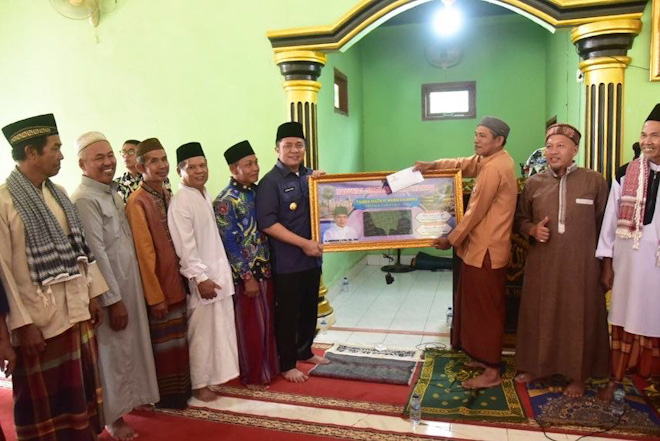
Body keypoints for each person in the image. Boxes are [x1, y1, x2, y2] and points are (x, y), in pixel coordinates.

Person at [1, 114, 107, 441]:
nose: (61, 155)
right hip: (39, 324)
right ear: (31, 153)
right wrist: (21, 326)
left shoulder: (58, 193)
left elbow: (80, 249)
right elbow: (2, 272)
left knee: (79, 398)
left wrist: (93, 294)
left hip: (74, 312)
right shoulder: (4, 201)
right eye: (55, 148)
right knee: (44, 408)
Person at [414, 116, 517, 389]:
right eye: (476, 134)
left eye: (482, 136)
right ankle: (483, 357)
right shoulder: (490, 160)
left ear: (499, 140)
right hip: (477, 249)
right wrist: (432, 166)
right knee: (474, 306)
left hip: (487, 250)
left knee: (487, 310)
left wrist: (450, 238)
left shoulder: (496, 168)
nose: (476, 139)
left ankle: (492, 371)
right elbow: (463, 164)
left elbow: (474, 213)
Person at [72, 131, 159, 440]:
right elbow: (95, 253)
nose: (108, 162)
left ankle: (132, 399)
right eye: (100, 158)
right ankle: (113, 418)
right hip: (113, 291)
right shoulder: (84, 199)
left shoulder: (112, 193)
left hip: (129, 284)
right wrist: (113, 300)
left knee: (130, 348)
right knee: (112, 356)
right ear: (82, 163)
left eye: (110, 156)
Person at [514, 124, 610, 397]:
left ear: (575, 150)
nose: (553, 151)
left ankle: (578, 376)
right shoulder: (534, 183)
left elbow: (606, 227)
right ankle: (537, 366)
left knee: (578, 319)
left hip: (582, 269)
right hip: (543, 265)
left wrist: (606, 267)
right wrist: (532, 230)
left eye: (561, 146)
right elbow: (520, 220)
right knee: (539, 315)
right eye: (550, 146)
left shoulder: (594, 181)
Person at [597, 103, 660, 400]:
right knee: (622, 320)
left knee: (654, 319)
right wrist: (607, 264)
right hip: (629, 264)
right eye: (644, 134)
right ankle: (615, 379)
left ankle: (648, 379)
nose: (647, 141)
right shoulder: (625, 174)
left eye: (655, 135)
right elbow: (610, 222)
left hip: (657, 268)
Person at [256, 122, 328, 383]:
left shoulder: (311, 177)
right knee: (287, 315)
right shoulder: (270, 182)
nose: (294, 150)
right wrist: (303, 244)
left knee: (309, 309)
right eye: (288, 145)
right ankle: (287, 364)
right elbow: (268, 223)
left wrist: (327, 185)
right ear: (277, 149)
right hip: (287, 262)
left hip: (312, 259)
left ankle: (305, 351)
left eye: (299, 145)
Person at [168, 142, 239, 402]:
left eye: (203, 165)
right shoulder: (181, 201)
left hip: (216, 277)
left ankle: (212, 378)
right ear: (180, 171)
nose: (199, 171)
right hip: (202, 282)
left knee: (217, 332)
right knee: (200, 335)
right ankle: (198, 384)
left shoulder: (203, 194)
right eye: (192, 167)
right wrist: (200, 278)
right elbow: (184, 246)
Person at [125, 138, 192, 408]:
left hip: (176, 282)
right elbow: (144, 254)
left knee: (179, 342)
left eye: (164, 159)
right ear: (141, 167)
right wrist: (155, 297)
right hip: (161, 288)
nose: (162, 165)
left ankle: (182, 393)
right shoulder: (137, 202)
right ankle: (167, 398)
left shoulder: (166, 195)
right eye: (154, 161)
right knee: (164, 347)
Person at [214, 140, 279, 388]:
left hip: (265, 269)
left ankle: (268, 369)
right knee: (251, 327)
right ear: (234, 169)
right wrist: (247, 277)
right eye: (248, 164)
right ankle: (252, 375)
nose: (255, 168)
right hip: (248, 277)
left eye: (256, 162)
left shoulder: (255, 192)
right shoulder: (225, 201)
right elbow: (229, 243)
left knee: (267, 323)